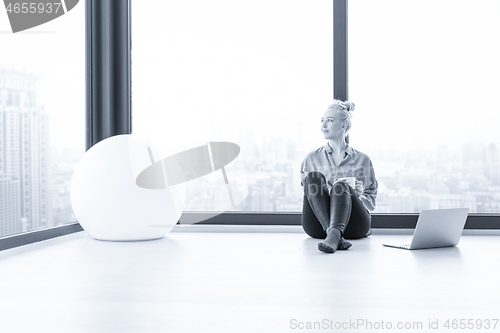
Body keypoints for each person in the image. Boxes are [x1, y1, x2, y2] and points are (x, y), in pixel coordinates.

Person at [300, 100, 378, 253]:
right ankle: (333, 233)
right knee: (313, 177)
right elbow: (310, 197)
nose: (323, 125)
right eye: (322, 121)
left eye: (329, 121)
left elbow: (371, 204)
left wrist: (357, 195)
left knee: (341, 186)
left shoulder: (363, 160)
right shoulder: (311, 159)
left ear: (344, 126)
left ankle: (334, 234)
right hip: (318, 226)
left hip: (354, 225)